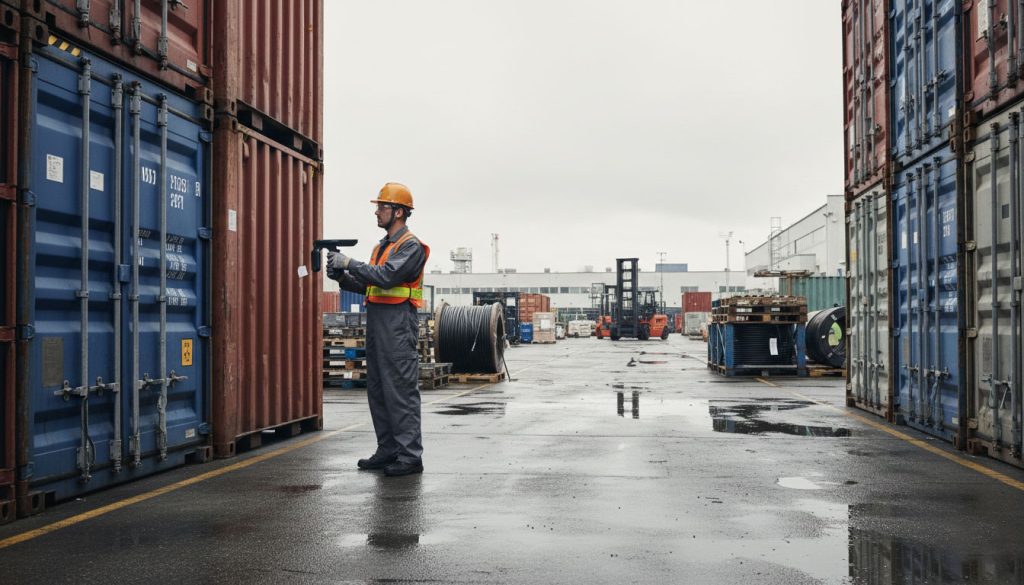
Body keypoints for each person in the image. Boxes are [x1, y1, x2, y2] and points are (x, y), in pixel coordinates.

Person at [327, 182, 430, 477]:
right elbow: (370, 285)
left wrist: (350, 262)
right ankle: (388, 449)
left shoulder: (410, 246)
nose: (377, 212)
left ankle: (410, 456)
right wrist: (342, 277)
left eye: (382, 207)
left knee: (400, 390)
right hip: (378, 325)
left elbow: (386, 277)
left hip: (398, 325)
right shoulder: (380, 247)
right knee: (379, 390)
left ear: (398, 212)